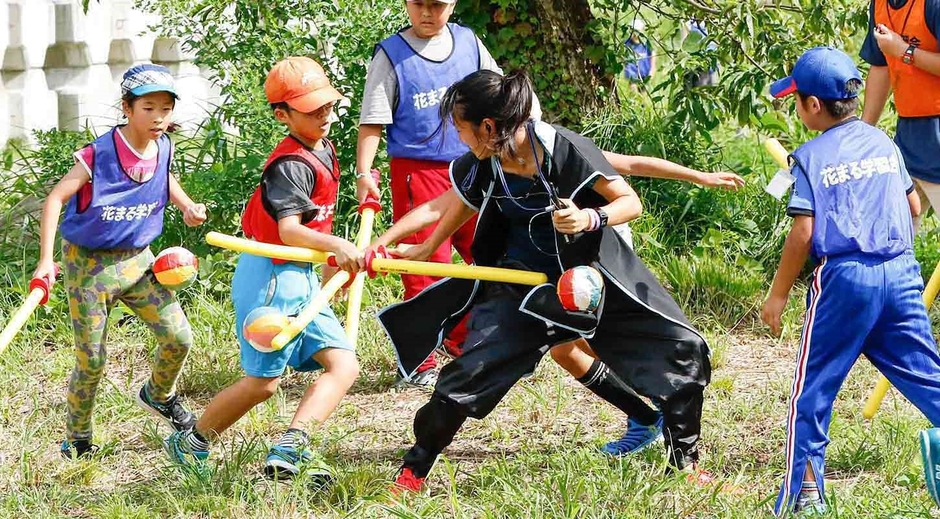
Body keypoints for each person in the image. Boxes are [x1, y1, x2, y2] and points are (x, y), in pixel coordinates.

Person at [370, 70, 713, 493]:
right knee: (467, 375)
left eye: (460, 128)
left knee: (683, 349)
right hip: (523, 287)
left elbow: (629, 201)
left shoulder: (560, 147)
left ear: (488, 127)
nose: (458, 137)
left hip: (591, 278)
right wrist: (408, 246)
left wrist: (589, 217)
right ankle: (413, 473)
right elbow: (446, 206)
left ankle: (685, 466)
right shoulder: (486, 161)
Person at [164, 57, 361, 483]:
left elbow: (318, 221)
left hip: (302, 277)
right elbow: (290, 230)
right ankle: (192, 441)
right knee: (263, 383)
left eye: (328, 106)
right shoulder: (290, 165)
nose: (324, 115)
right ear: (282, 115)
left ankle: (292, 445)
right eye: (311, 110)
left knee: (344, 365)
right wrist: (338, 248)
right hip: (270, 278)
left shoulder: (323, 148)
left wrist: (330, 267)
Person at [762, 46, 940, 515]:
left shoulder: (809, 157)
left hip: (845, 283)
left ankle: (806, 494)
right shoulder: (883, 143)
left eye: (796, 101)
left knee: (812, 390)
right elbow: (914, 206)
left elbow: (803, 233)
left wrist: (777, 295)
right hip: (901, 273)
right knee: (928, 377)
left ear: (813, 105)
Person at [356, 0, 545, 388]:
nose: (427, 13)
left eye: (437, 5)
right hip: (419, 172)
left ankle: (472, 343)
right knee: (426, 264)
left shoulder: (470, 44)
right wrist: (363, 172)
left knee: (487, 254)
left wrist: (532, 133)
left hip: (476, 165)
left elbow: (506, 97)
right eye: (418, 4)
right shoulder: (391, 55)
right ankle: (419, 360)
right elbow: (372, 120)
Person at [32, 64, 207, 458]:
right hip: (89, 267)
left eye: (166, 109)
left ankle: (158, 395)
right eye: (149, 108)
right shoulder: (99, 153)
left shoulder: (164, 146)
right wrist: (45, 261)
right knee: (92, 359)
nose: (159, 117)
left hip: (138, 262)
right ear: (127, 108)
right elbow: (56, 198)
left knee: (179, 337)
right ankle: (78, 440)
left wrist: (186, 206)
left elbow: (163, 176)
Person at [860, 0, 940, 231]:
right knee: (889, 231)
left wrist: (905, 51)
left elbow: (896, 51)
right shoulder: (880, 4)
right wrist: (863, 132)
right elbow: (881, 65)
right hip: (908, 140)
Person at [623, 18, 655, 85]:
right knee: (633, 88)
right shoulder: (627, 43)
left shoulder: (646, 43)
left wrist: (652, 69)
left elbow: (652, 54)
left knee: (645, 89)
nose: (635, 35)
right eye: (633, 32)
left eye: (637, 32)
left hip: (645, 72)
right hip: (632, 73)